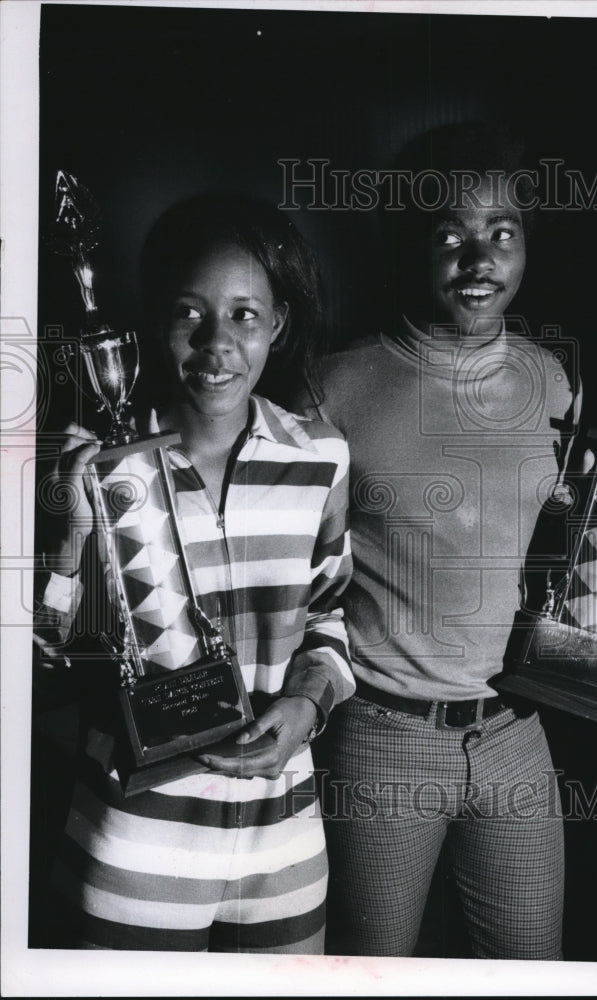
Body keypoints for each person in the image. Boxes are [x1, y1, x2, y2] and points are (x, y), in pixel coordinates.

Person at [298, 123, 597, 959]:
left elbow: (549, 549)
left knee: (534, 971)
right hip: (382, 741)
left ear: (525, 248)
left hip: (514, 732)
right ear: (413, 247)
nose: (478, 259)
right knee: (372, 973)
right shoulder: (334, 387)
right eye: (450, 236)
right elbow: (296, 575)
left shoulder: (551, 378)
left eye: (501, 234)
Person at [33, 194, 355, 952]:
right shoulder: (96, 466)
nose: (216, 343)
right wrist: (72, 532)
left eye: (245, 314)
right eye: (190, 312)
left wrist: (307, 705)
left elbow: (329, 619)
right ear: (155, 321)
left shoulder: (319, 456)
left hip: (283, 836)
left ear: (278, 323)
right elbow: (44, 652)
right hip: (135, 838)